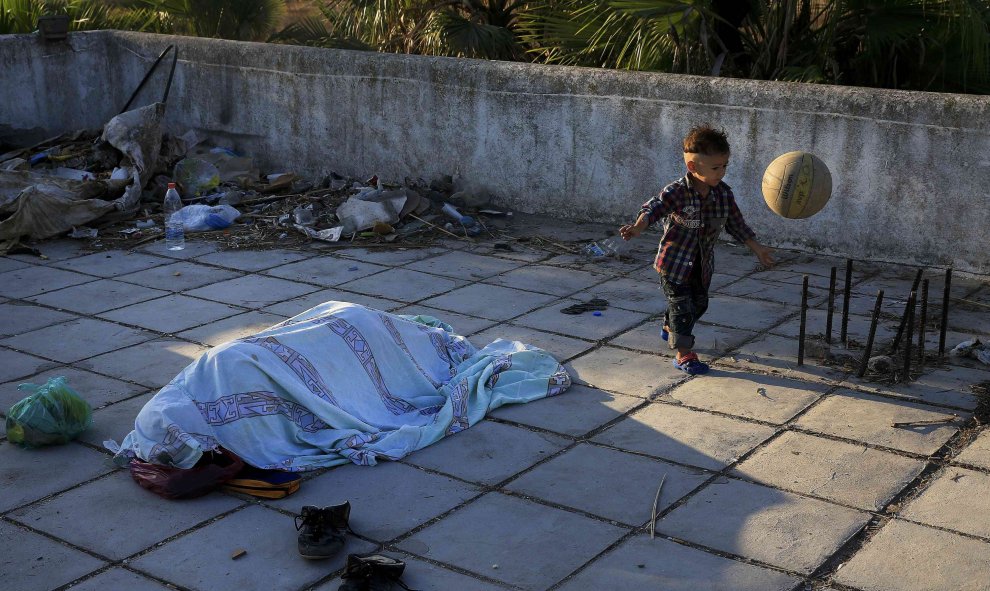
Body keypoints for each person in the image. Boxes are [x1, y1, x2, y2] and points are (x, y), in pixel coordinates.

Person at [619, 124, 775, 375]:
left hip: (702, 265)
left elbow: (736, 224)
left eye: (725, 166)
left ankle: (670, 327)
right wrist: (638, 228)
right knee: (682, 306)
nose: (721, 172)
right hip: (674, 264)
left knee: (699, 304)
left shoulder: (723, 195)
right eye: (715, 168)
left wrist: (757, 249)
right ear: (693, 166)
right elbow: (653, 208)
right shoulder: (676, 192)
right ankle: (684, 354)